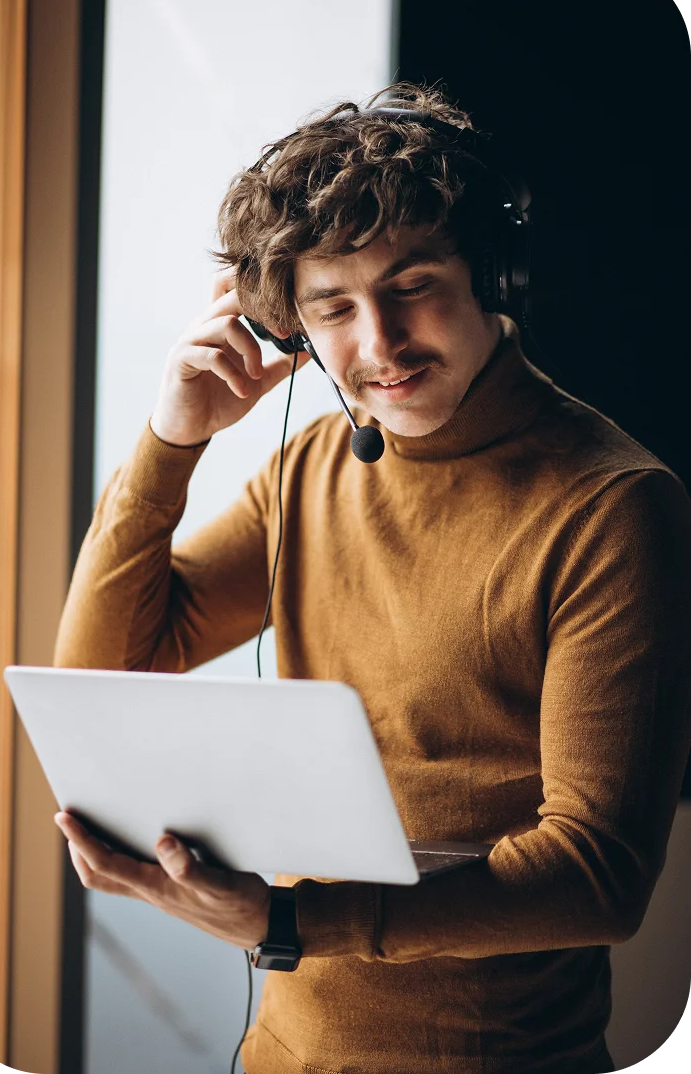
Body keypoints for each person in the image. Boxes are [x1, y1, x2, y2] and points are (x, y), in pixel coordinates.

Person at [53, 83, 691, 1074]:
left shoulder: (612, 505)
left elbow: (597, 876)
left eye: (413, 284)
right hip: (285, 1051)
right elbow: (105, 669)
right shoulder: (312, 465)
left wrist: (290, 922)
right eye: (333, 309)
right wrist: (169, 443)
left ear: (495, 274)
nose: (380, 346)